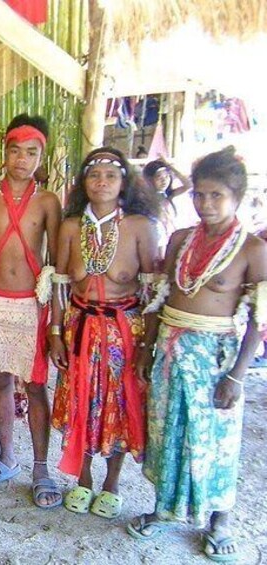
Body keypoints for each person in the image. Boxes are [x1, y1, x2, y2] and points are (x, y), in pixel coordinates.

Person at [127, 147, 266, 562]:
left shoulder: (251, 250)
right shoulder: (179, 240)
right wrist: (146, 349)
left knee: (216, 440)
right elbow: (158, 297)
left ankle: (219, 520)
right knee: (168, 431)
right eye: (200, 195)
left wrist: (237, 376)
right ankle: (164, 508)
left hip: (216, 357)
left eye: (216, 196)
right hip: (170, 346)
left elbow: (260, 319)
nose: (205, 204)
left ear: (237, 196)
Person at [49, 147, 158, 518]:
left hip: (122, 333)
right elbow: (60, 286)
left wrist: (147, 348)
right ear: (84, 182)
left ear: (124, 182)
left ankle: (111, 485)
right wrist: (54, 332)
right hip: (78, 330)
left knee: (118, 407)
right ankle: (82, 481)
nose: (101, 182)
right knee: (79, 402)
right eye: (94, 175)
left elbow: (153, 295)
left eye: (111, 175)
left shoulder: (140, 228)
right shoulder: (70, 227)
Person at [0, 114, 62, 507]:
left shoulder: (47, 202)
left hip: (31, 305)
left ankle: (41, 467)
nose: (22, 159)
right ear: (3, 153)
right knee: (1, 381)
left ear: (42, 156)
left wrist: (55, 323)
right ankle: (7, 456)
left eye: (31, 152)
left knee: (37, 386)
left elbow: (55, 266)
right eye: (15, 151)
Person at [143, 157, 192, 251]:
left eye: (166, 176)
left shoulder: (168, 195)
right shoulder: (147, 199)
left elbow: (189, 184)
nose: (164, 181)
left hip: (171, 238)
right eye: (159, 177)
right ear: (149, 179)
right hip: (159, 241)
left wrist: (170, 167)